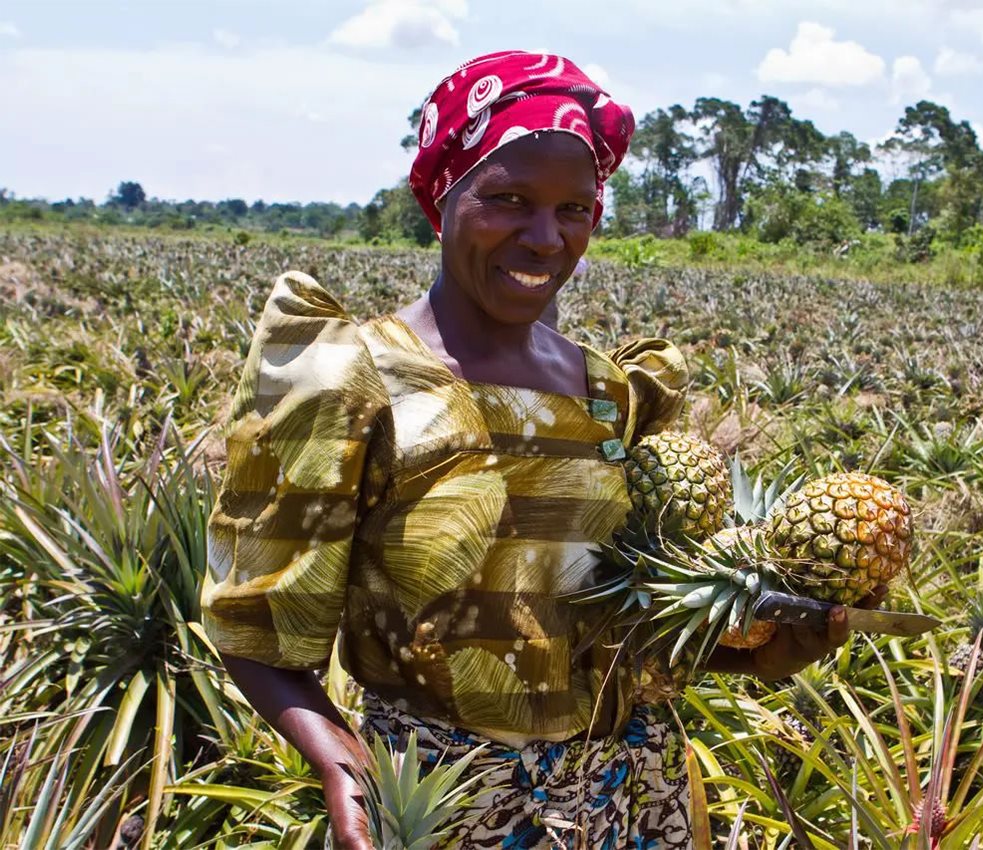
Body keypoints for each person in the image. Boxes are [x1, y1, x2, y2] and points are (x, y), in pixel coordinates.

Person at [200, 51, 850, 849]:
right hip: (448, 798)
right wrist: (337, 759)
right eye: (508, 200)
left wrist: (759, 658)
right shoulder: (352, 377)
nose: (545, 238)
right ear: (444, 198)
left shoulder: (608, 392)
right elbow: (253, 630)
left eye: (575, 210)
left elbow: (606, 620)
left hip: (634, 794)